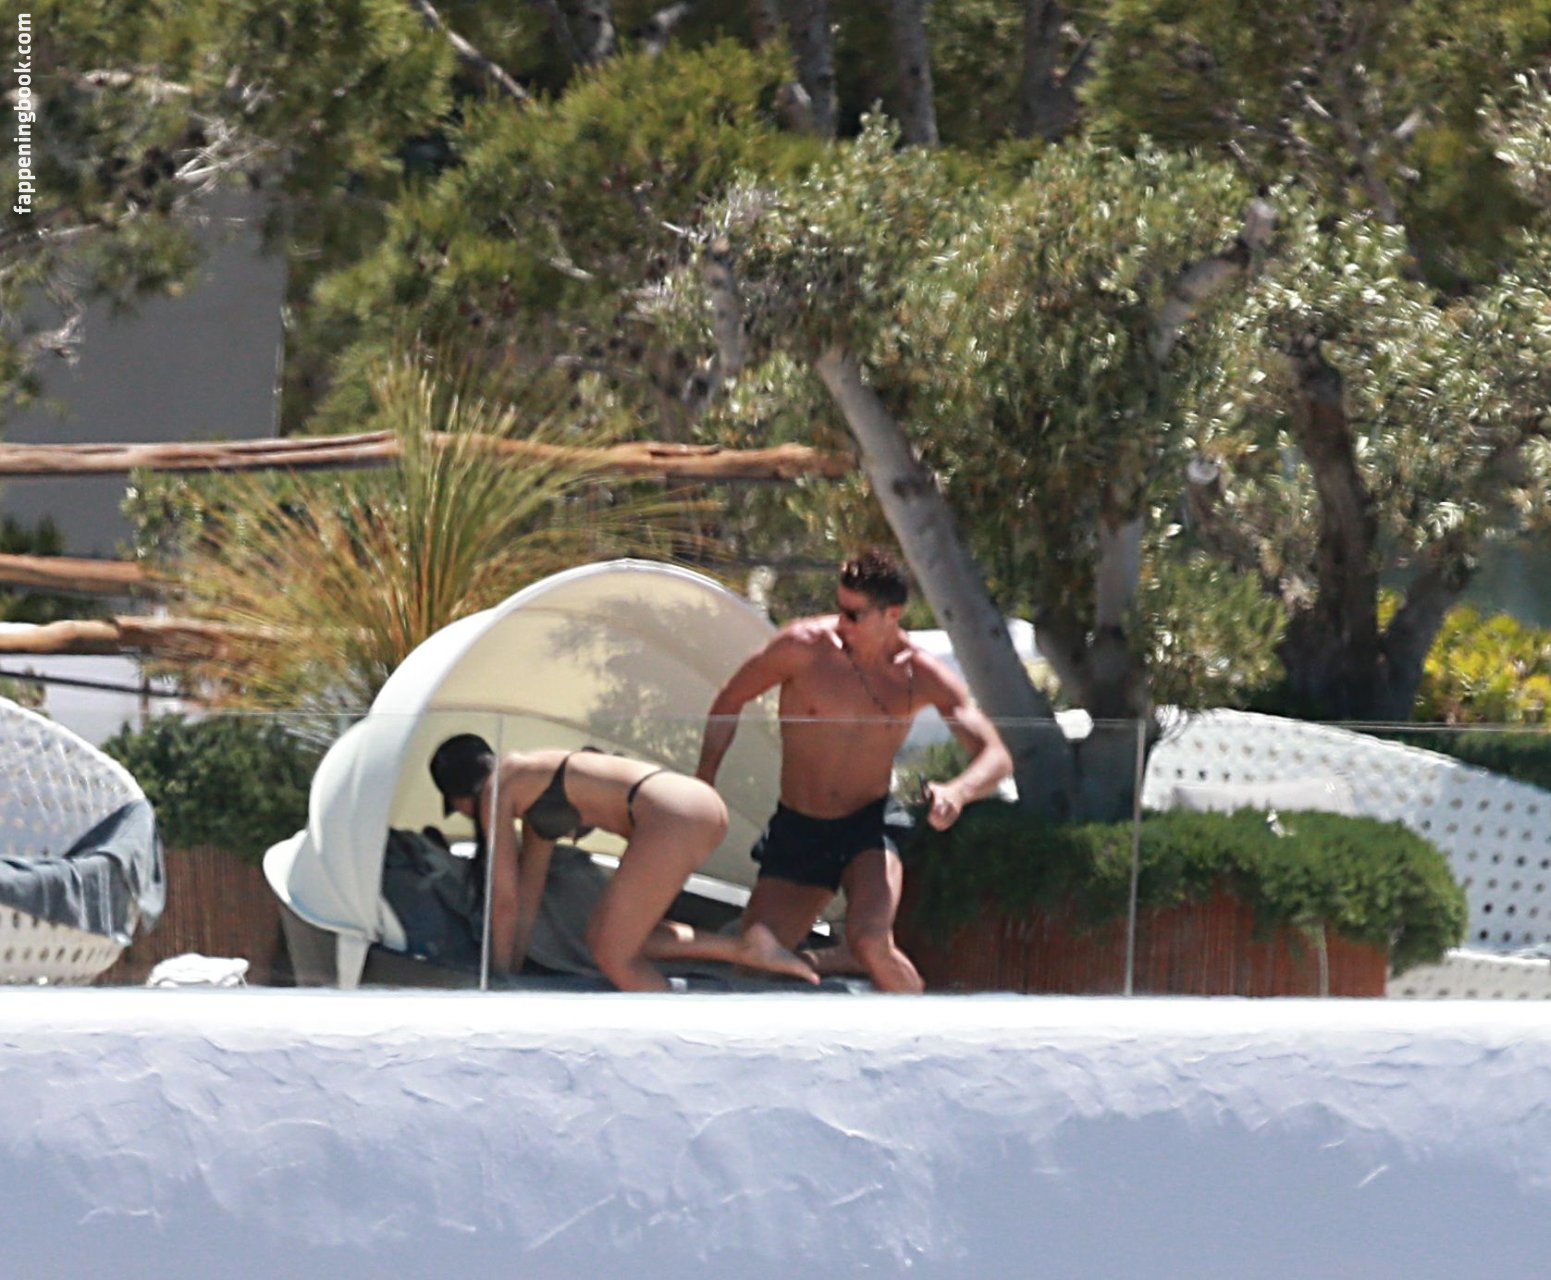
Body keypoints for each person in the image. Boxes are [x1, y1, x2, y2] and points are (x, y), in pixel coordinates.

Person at [696, 547, 1013, 993]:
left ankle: (922, 1023)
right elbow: (730, 699)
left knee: (871, 940)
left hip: (868, 825)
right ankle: (831, 958)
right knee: (758, 959)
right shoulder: (803, 647)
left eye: (854, 615)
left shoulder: (919, 674)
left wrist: (958, 792)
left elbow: (995, 755)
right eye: (839, 607)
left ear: (892, 614)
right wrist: (704, 782)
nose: (841, 623)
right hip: (800, 827)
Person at [428, 734, 817, 992]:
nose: (464, 814)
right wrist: (510, 973)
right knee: (619, 936)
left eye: (457, 807)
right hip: (688, 806)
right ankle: (745, 948)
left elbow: (504, 901)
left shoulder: (499, 787)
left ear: (461, 796)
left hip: (670, 812)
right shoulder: (531, 789)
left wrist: (492, 984)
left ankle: (682, 1039)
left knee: (610, 954)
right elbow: (526, 901)